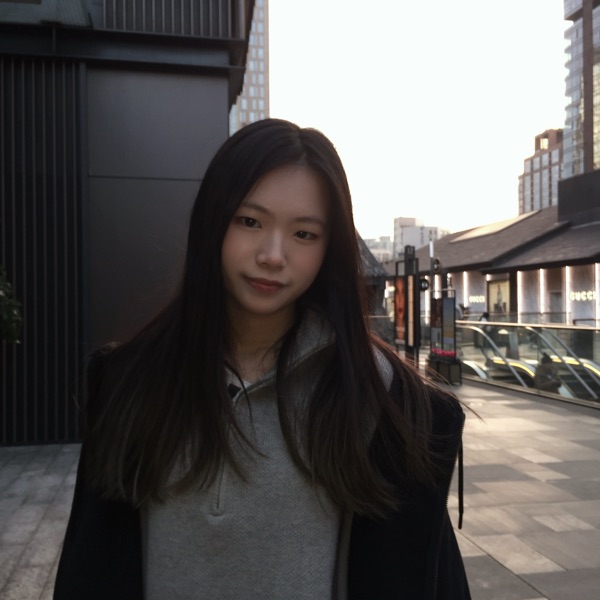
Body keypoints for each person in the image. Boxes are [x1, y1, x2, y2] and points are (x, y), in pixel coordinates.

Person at [54, 118, 471, 599]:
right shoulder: (131, 380)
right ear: (213, 221)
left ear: (329, 247)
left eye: (304, 234)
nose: (273, 255)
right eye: (250, 221)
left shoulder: (382, 398)